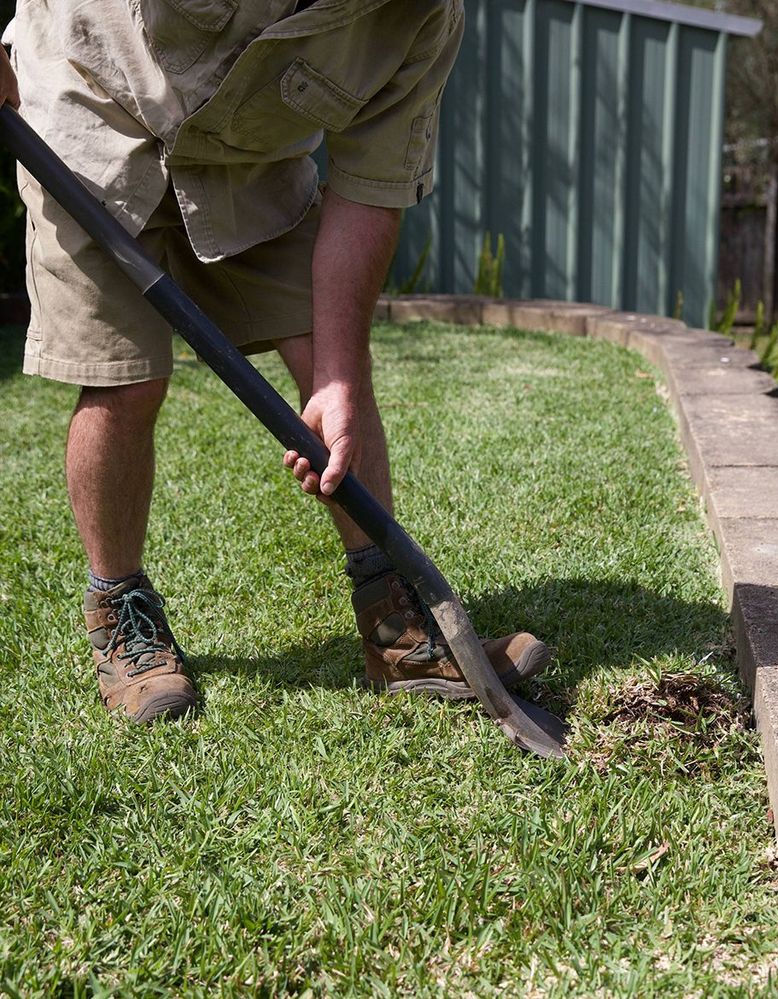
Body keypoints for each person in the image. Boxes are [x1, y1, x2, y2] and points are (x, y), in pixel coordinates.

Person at [1, 0, 549, 723]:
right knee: (125, 379)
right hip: (90, 105)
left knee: (327, 358)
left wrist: (339, 377)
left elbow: (369, 191)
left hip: (247, 153)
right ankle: (120, 613)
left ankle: (395, 625)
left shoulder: (421, 17)